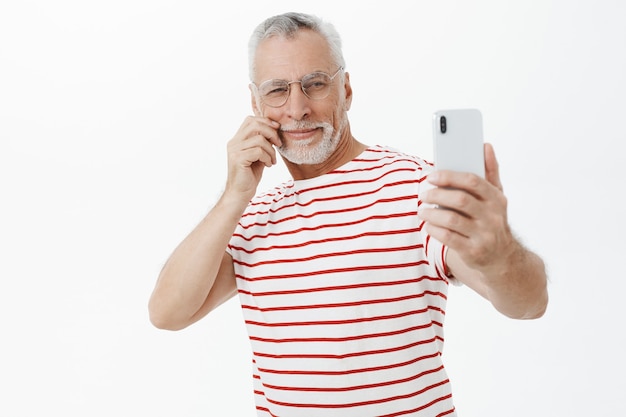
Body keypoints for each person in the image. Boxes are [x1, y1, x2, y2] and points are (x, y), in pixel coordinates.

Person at [148, 12, 548, 417]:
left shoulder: (415, 187)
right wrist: (234, 195)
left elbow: (528, 303)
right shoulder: (252, 217)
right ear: (255, 104)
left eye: (315, 84)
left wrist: (498, 254)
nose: (298, 108)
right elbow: (166, 313)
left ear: (347, 89)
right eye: (277, 91)